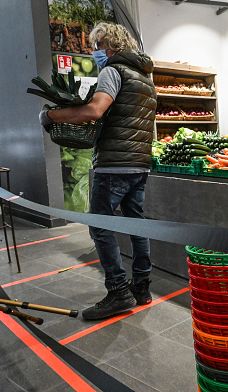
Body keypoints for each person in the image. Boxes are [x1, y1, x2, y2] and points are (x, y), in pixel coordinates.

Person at [39, 23, 157, 320]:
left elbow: (94, 110)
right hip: (140, 162)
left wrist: (50, 116)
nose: (96, 52)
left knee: (100, 226)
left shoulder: (112, 71)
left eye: (99, 45)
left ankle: (118, 291)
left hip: (115, 164)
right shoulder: (145, 77)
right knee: (136, 224)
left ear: (113, 45)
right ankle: (141, 286)